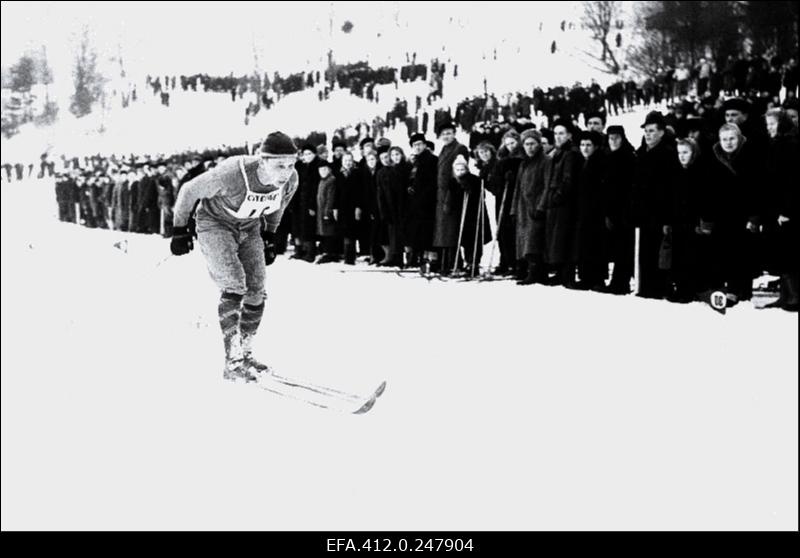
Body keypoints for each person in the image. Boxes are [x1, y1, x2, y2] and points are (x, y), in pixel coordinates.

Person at [170, 131, 299, 381]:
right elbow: (189, 190)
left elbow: (278, 205)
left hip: (249, 226)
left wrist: (270, 236)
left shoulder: (291, 179)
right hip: (216, 223)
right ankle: (233, 360)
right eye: (279, 165)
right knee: (234, 284)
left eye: (291, 164)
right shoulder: (232, 174)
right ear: (262, 161)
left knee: (256, 289)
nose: (286, 172)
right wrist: (179, 230)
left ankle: (246, 353)